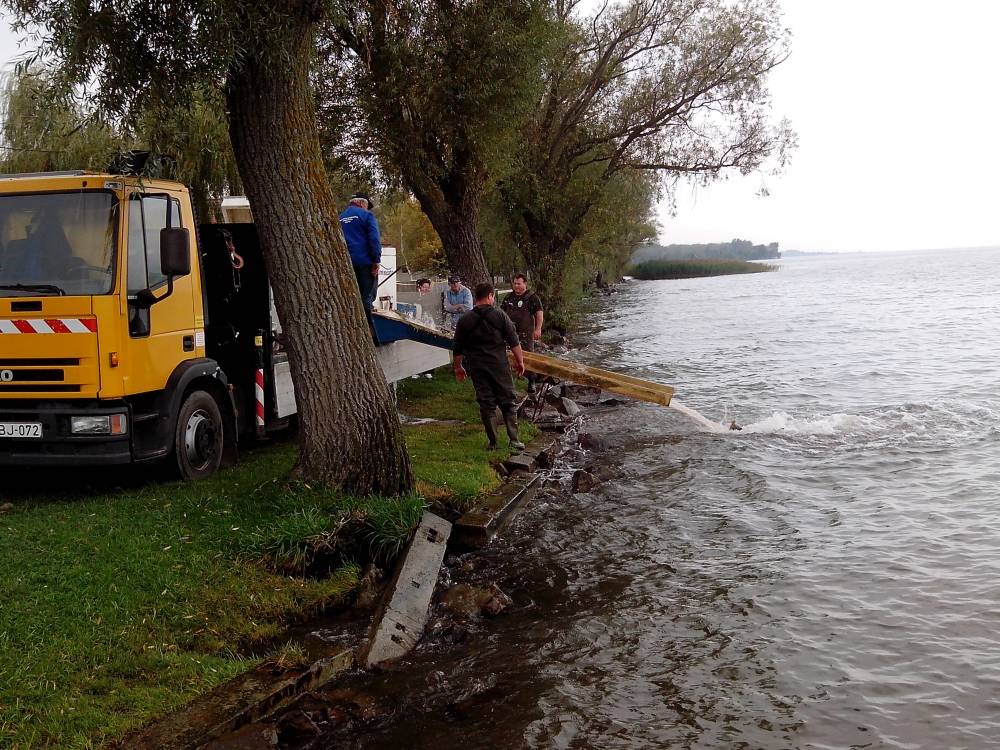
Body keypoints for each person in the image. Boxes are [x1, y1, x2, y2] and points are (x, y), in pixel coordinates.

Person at [453, 282, 526, 450]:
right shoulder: (500, 316)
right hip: (499, 365)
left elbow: (457, 348)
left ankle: (493, 442)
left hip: (477, 367)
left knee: (486, 403)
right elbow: (514, 341)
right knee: (508, 401)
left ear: (476, 297)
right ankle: (514, 440)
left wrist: (458, 367)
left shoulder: (465, 320)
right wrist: (520, 361)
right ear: (490, 296)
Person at [339, 192, 382, 320]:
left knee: (350, 296)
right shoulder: (367, 215)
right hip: (365, 262)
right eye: (368, 205)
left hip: (345, 264)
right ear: (363, 203)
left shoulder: (340, 217)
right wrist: (376, 260)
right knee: (367, 297)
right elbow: (374, 239)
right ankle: (368, 329)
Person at [500, 272, 544, 393]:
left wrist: (538, 329)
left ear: (525, 283)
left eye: (519, 284)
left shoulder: (532, 297)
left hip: (526, 333)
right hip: (510, 332)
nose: (516, 286)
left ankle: (532, 381)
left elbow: (539, 314)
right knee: (507, 355)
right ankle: (508, 381)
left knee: (528, 356)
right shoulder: (509, 297)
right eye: (514, 284)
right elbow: (501, 313)